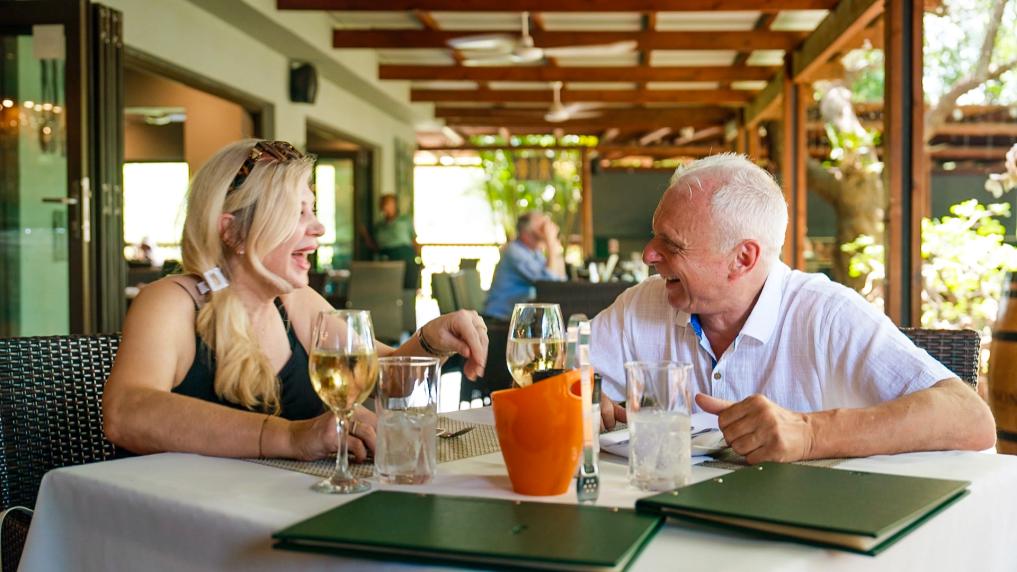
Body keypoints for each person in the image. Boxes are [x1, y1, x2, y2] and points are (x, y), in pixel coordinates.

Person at [591, 153, 995, 463]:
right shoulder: (642, 305)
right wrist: (585, 400)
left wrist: (810, 433)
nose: (648, 255)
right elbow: (554, 379)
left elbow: (971, 420)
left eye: (671, 244)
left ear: (743, 259)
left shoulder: (826, 314)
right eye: (653, 237)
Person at [103, 140, 488, 462]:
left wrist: (430, 342)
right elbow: (126, 413)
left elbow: (383, 380)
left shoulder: (296, 303)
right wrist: (290, 437)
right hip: (177, 529)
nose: (318, 226)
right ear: (232, 231)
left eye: (313, 209)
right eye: (296, 211)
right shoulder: (172, 303)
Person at [482, 211, 567, 321]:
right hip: (499, 320)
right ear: (525, 232)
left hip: (518, 318)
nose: (545, 226)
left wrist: (555, 243)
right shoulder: (515, 251)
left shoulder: (535, 253)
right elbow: (547, 284)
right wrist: (550, 241)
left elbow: (560, 281)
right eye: (540, 223)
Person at [362, 194, 420, 290]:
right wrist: (365, 235)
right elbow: (375, 247)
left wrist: (418, 258)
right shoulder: (379, 226)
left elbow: (414, 241)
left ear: (394, 205)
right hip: (387, 261)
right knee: (390, 290)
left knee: (409, 291)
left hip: (406, 259)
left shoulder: (405, 220)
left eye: (388, 204)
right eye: (383, 204)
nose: (386, 206)